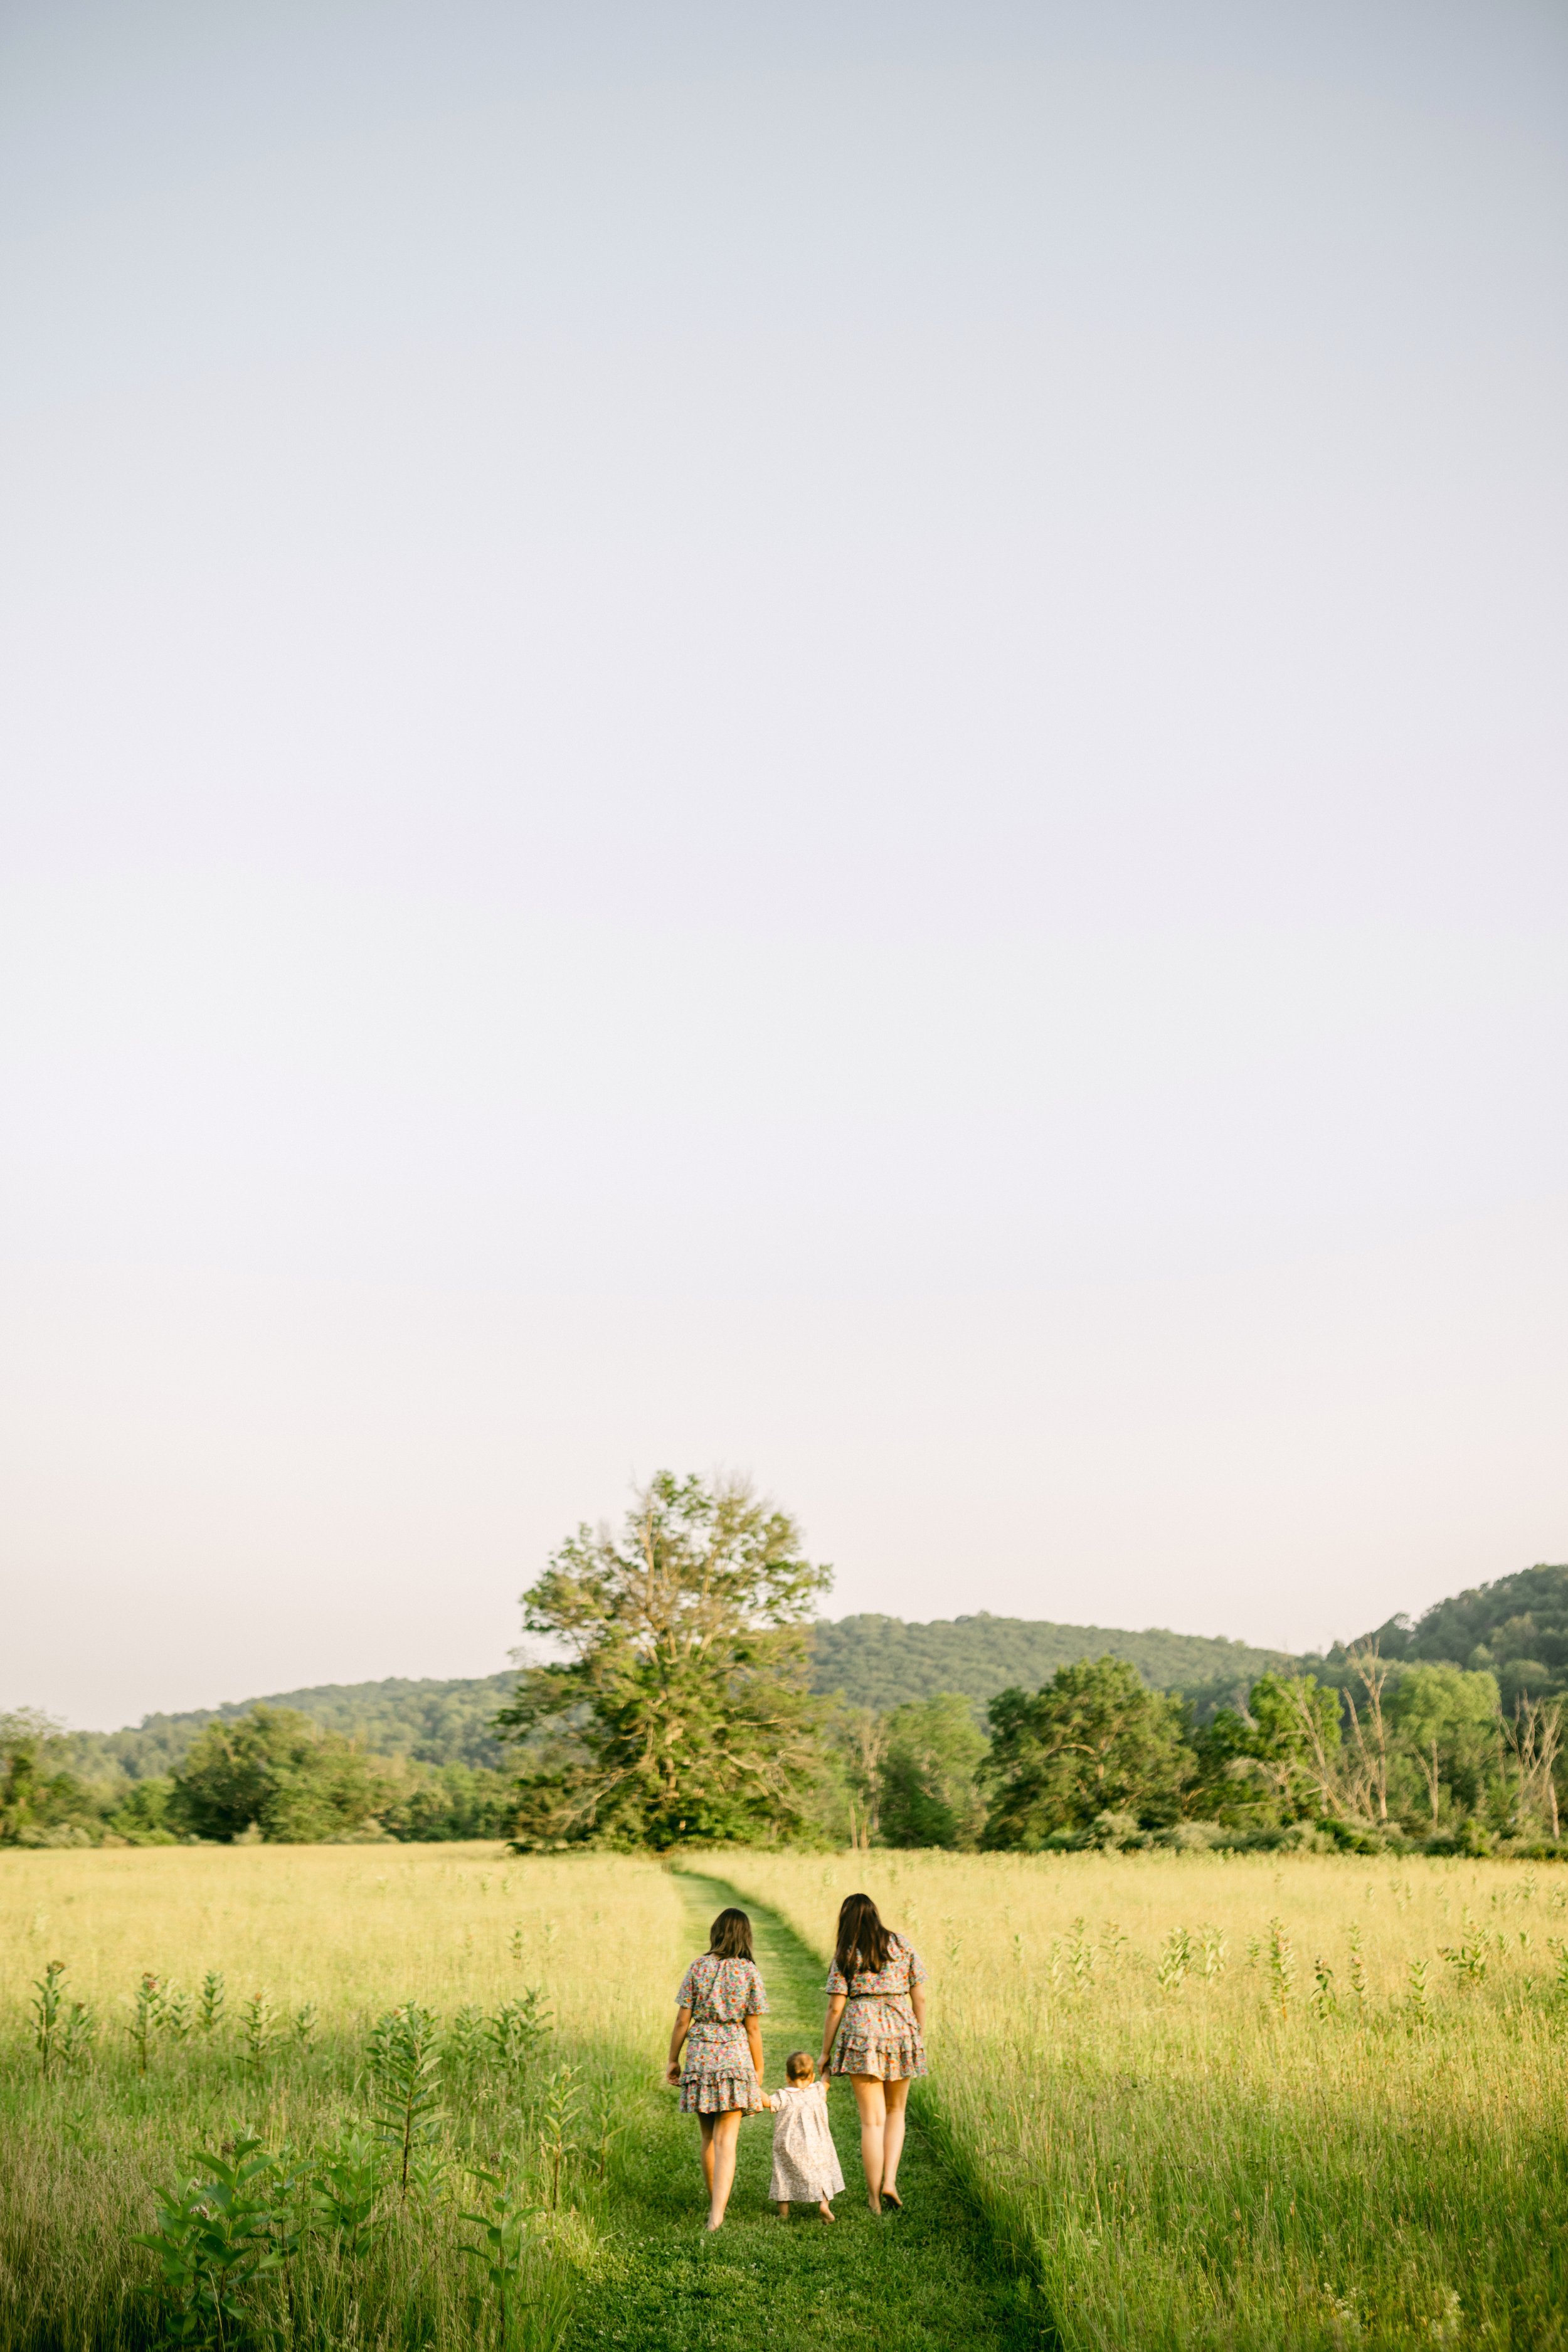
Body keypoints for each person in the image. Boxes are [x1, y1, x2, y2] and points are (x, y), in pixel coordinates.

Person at [820, 1889, 927, 2215]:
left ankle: (873, 2199)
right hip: (900, 2028)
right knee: (896, 2111)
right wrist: (917, 2034)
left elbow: (836, 2007)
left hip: (862, 2031)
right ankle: (890, 2181)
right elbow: (919, 1996)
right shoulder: (901, 1944)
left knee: (872, 2122)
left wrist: (825, 2052)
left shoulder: (846, 1953)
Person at [666, 1905, 769, 2230]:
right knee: (728, 2141)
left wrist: (673, 2059)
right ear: (746, 1936)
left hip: (700, 2056)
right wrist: (759, 2068)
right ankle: (718, 2213)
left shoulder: (698, 1966)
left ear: (716, 1933)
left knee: (708, 2137)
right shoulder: (749, 1972)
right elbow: (753, 2028)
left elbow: (683, 2019)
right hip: (735, 2057)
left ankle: (715, 2203)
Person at [767, 2050, 844, 2222]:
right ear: (812, 2077)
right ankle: (824, 2205)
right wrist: (826, 2070)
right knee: (823, 2174)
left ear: (788, 2077)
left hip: (789, 2147)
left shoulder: (784, 2096)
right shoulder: (818, 2090)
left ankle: (783, 2214)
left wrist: (753, 2089)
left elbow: (767, 2102)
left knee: (784, 2174)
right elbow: (826, 2082)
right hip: (819, 2146)